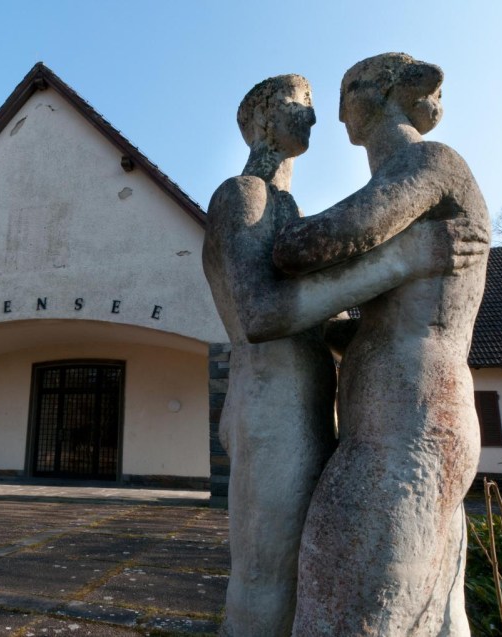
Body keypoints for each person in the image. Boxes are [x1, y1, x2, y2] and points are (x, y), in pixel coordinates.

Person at [202, 73, 485, 637]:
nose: (312, 118)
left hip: (306, 409)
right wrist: (403, 259)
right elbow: (262, 316)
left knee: (306, 577)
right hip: (272, 410)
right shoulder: (242, 194)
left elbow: (308, 316)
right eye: (296, 103)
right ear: (260, 117)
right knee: (267, 578)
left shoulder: (284, 207)